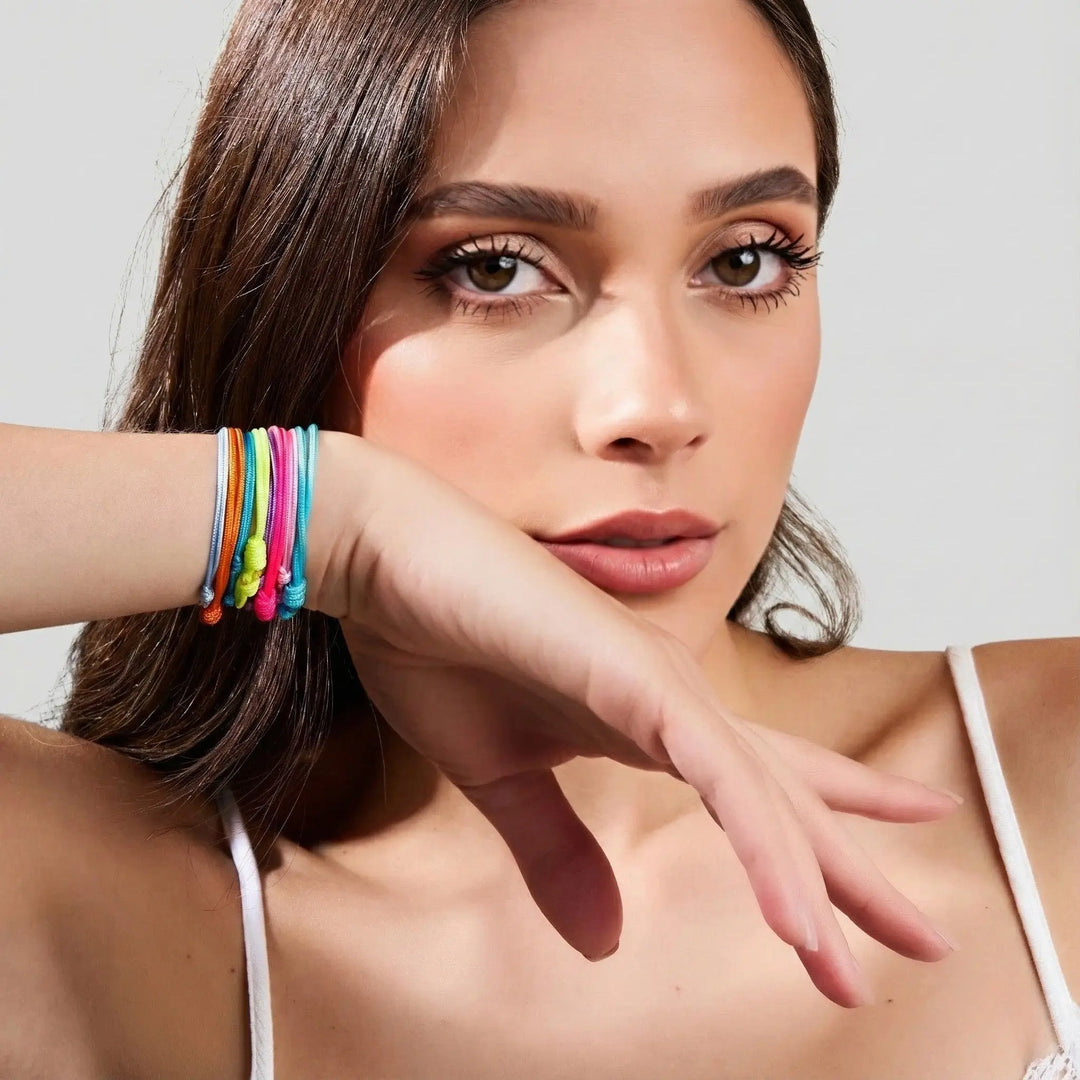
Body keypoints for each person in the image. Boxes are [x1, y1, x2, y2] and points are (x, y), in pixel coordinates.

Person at [0, 0, 1077, 1078]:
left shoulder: (1048, 779)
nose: (654, 406)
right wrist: (329, 519)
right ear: (295, 302)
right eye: (496, 269)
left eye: (746, 261)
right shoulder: (99, 902)